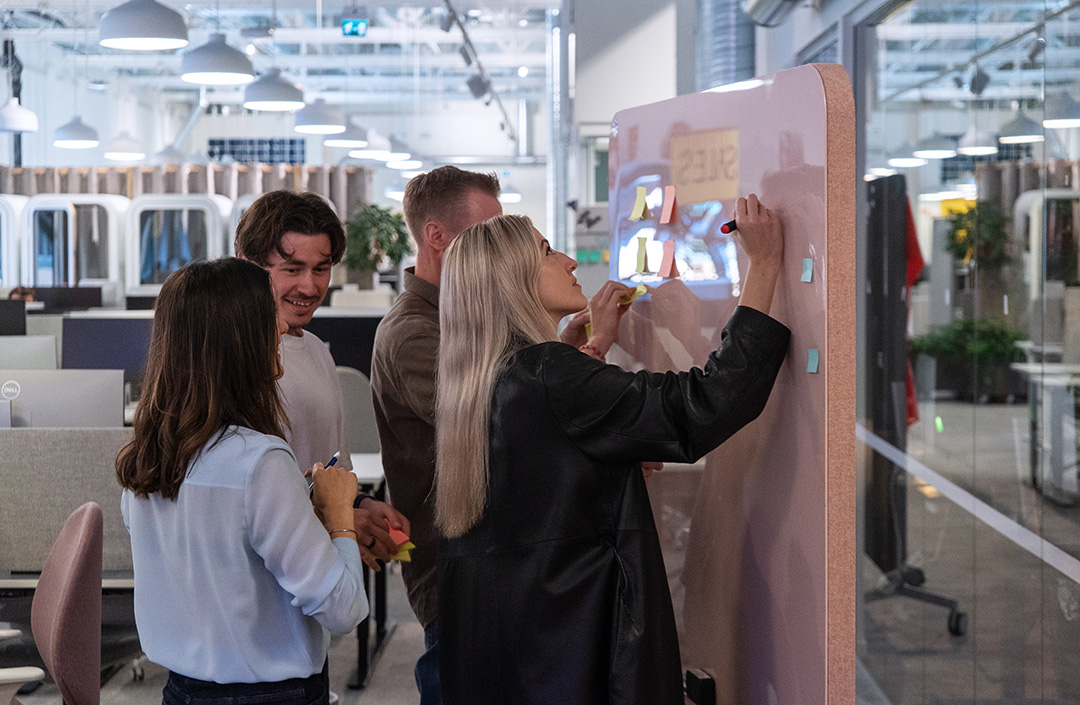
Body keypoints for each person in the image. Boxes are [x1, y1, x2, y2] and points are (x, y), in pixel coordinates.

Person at [434, 195, 791, 705]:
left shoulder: (476, 385)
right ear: (514, 278)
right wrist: (766, 265)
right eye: (547, 250)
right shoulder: (550, 374)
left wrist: (593, 354)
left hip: (515, 659)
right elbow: (708, 402)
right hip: (580, 657)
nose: (570, 261)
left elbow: (553, 466)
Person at [117, 258, 367, 705]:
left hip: (180, 691)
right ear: (244, 336)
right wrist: (338, 514)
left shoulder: (147, 457)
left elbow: (219, 567)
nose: (283, 327)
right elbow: (343, 607)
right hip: (270, 695)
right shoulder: (260, 462)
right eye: (272, 312)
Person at [369, 165, 503, 704]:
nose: (499, 251)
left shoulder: (463, 318)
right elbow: (500, 425)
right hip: (455, 581)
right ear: (437, 237)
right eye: (487, 234)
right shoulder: (414, 333)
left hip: (482, 572)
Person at [236, 190, 407, 567]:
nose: (310, 287)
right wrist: (339, 522)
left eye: (321, 269)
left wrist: (360, 505)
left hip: (319, 590)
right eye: (292, 269)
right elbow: (235, 502)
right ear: (246, 265)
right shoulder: (227, 358)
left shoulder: (317, 351)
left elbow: (327, 471)